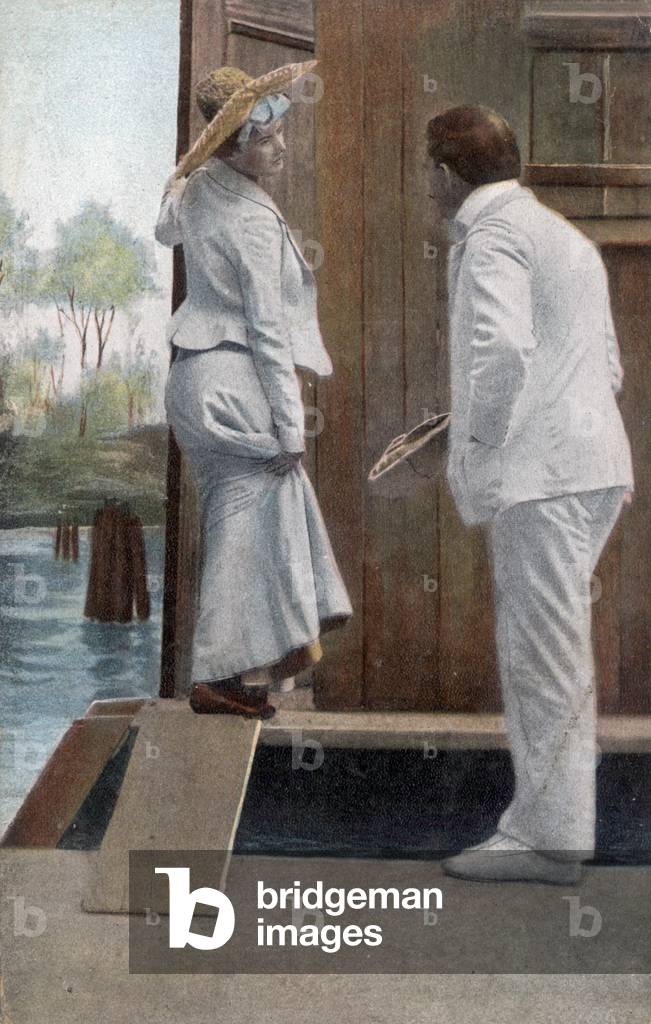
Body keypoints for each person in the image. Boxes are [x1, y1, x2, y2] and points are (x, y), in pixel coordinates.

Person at [426, 106, 634, 883]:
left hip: (540, 477)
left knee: (542, 656)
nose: (427, 185)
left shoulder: (492, 235)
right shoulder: (566, 237)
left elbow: (505, 349)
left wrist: (477, 442)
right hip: (594, 468)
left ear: (444, 174)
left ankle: (548, 843)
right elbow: (605, 367)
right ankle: (548, 828)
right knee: (556, 649)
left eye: (428, 172)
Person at [157, 64, 353, 720]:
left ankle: (247, 669)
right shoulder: (250, 221)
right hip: (233, 377)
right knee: (247, 518)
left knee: (260, 511)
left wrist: (177, 179)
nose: (282, 146)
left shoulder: (200, 187)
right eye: (265, 139)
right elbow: (268, 334)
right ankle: (218, 674)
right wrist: (292, 428)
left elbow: (164, 230)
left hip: (193, 381)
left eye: (279, 132)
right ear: (233, 147)